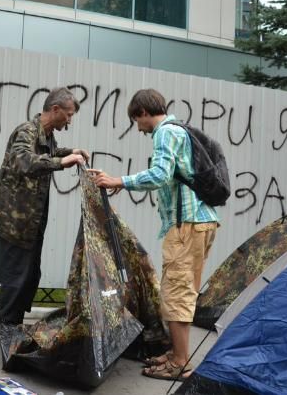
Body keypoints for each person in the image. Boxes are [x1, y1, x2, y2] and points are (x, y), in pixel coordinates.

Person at [88, 88, 219, 381]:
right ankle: (176, 354)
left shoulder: (164, 132)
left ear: (144, 112)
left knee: (176, 293)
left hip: (187, 224)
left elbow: (159, 174)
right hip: (199, 222)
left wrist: (119, 180)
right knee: (180, 289)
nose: (137, 126)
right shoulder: (178, 130)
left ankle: (181, 362)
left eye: (136, 119)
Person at [0, 86, 89, 352]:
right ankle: (8, 328)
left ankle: (15, 324)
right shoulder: (26, 131)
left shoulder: (47, 135)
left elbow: (47, 153)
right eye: (69, 114)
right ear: (55, 110)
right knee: (15, 274)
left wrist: (68, 152)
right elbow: (24, 161)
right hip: (13, 219)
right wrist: (61, 162)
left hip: (31, 219)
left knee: (30, 274)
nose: (70, 120)